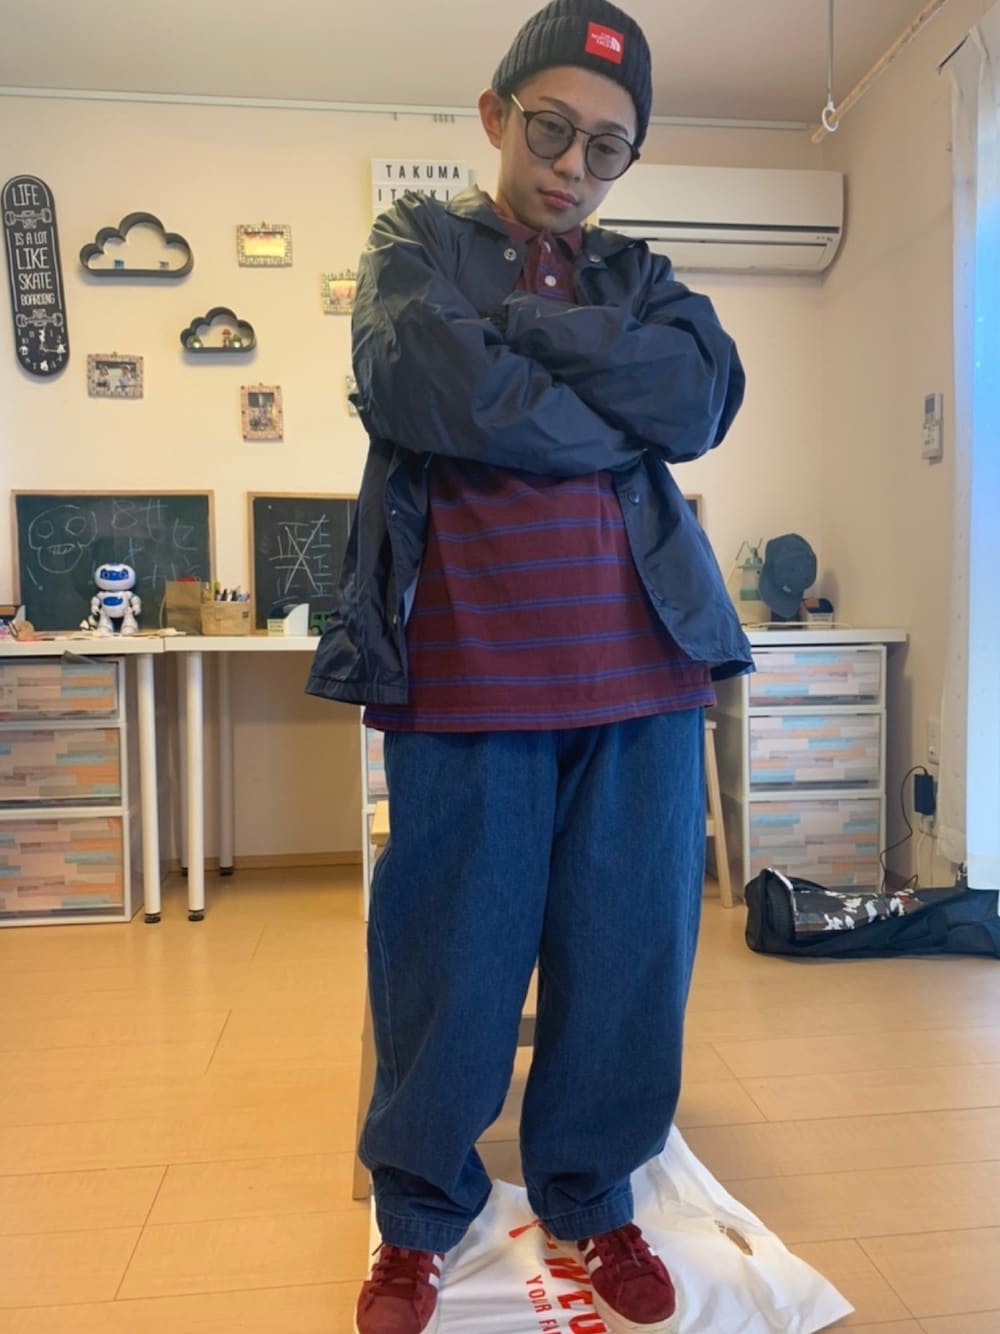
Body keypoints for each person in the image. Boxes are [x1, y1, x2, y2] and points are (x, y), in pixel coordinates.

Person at [306, 3, 752, 1330]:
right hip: (466, 670)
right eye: (551, 129)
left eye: (607, 147)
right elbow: (419, 378)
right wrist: (611, 411)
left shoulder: (639, 274)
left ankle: (592, 1194)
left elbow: (700, 397)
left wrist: (525, 331)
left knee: (627, 956)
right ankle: (416, 1219)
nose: (571, 166)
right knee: (449, 957)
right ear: (497, 115)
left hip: (644, 669)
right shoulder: (413, 242)